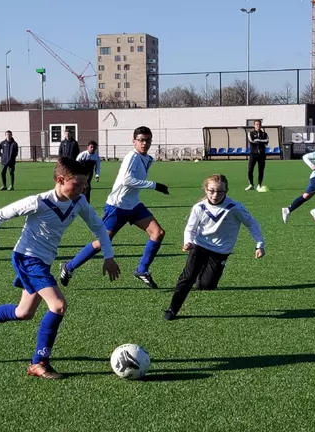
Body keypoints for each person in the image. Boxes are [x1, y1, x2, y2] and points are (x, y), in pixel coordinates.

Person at [0, 157, 120, 380]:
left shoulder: (78, 202)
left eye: (85, 184)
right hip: (27, 258)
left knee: (24, 313)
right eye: (78, 184)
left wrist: (109, 257)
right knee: (58, 305)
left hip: (43, 261)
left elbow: (99, 227)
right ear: (60, 180)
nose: (83, 188)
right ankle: (39, 362)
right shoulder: (38, 202)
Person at [59, 126, 169, 289]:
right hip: (117, 206)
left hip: (133, 204)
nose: (144, 143)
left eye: (147, 140)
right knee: (101, 243)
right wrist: (154, 185)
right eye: (141, 140)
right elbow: (127, 180)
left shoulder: (148, 159)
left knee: (158, 233)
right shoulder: (131, 157)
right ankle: (68, 267)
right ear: (134, 142)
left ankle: (142, 270)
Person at [164, 174, 265, 320]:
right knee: (187, 277)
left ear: (226, 191)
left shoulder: (234, 208)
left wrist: (259, 245)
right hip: (199, 245)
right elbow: (190, 228)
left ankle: (202, 276)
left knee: (207, 285)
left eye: (220, 191)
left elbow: (252, 223)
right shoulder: (199, 207)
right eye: (211, 191)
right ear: (205, 189)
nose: (215, 195)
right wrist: (188, 241)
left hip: (220, 250)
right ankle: (172, 309)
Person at [246, 119, 269, 192]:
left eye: (259, 124)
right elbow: (251, 141)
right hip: (253, 154)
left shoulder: (265, 134)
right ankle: (251, 185)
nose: (258, 125)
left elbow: (267, 141)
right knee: (250, 170)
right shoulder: (250, 133)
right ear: (254, 125)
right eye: (256, 124)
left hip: (262, 155)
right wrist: (260, 141)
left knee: (261, 171)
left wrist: (257, 140)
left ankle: (259, 185)